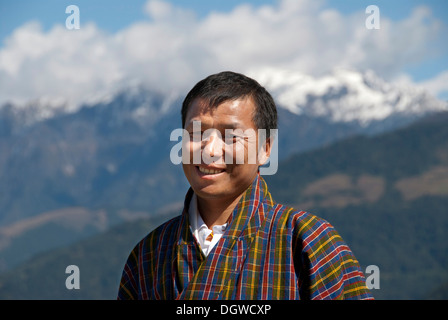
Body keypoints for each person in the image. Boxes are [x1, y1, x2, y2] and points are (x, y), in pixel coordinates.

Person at [117, 71, 373, 300]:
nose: (210, 150)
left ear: (265, 148)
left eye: (230, 136)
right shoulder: (149, 254)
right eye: (195, 134)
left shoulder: (307, 241)